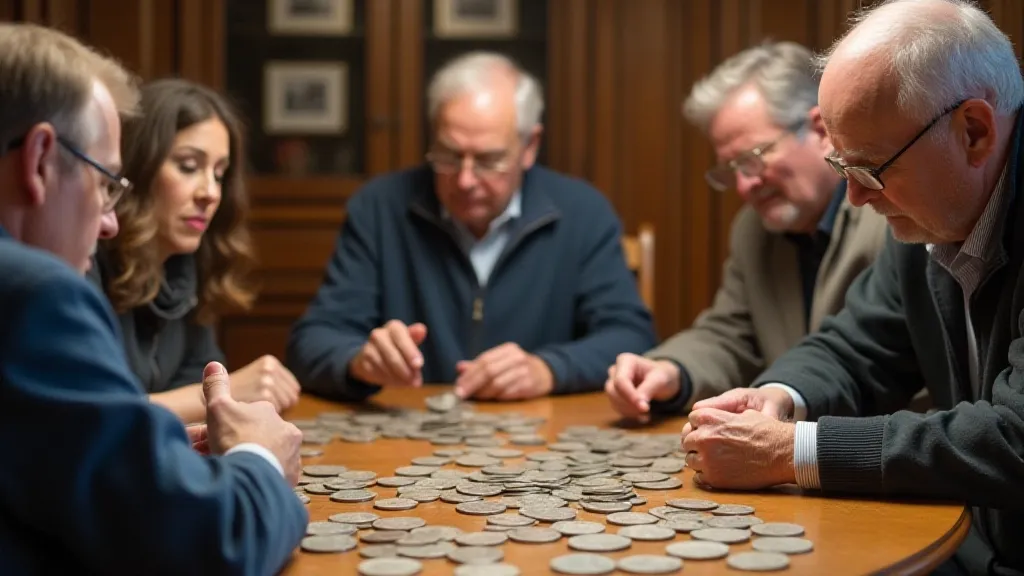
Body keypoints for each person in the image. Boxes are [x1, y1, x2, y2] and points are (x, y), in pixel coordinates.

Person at [680, 1, 1024, 573]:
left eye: (868, 169)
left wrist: (796, 451)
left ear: (975, 130)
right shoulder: (930, 212)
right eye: (845, 170)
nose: (857, 198)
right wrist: (780, 398)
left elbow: (1015, 439)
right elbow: (857, 345)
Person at [0, 23, 306, 573]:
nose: (110, 223)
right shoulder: (35, 294)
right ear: (41, 159)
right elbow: (213, 543)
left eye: (220, 172)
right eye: (105, 184)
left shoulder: (182, 275)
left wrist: (147, 451)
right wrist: (259, 455)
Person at [287, 51, 656, 402]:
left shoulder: (584, 212)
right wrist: (358, 361)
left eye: (488, 160)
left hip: (540, 438)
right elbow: (312, 341)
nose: (465, 180)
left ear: (530, 146)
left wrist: (548, 369)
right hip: (405, 435)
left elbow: (632, 338)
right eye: (448, 155)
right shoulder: (378, 207)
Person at [605, 41, 888, 421]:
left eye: (752, 159)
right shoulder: (754, 230)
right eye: (729, 169)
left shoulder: (893, 217)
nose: (743, 186)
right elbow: (732, 335)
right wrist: (671, 370)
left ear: (821, 130)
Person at [88, 78, 300, 424]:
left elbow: (194, 396)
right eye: (189, 166)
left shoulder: (188, 264)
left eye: (219, 173)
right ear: (137, 169)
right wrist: (221, 393)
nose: (210, 193)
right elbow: (85, 417)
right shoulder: (84, 259)